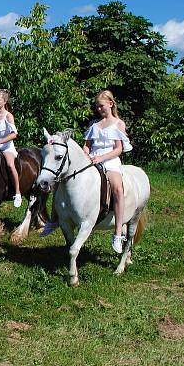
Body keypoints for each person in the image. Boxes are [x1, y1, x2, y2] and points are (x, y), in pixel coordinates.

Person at [39, 90, 132, 254]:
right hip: (91, 159)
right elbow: (87, 146)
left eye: (101, 106)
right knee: (60, 182)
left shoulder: (118, 124)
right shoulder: (94, 125)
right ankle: (54, 220)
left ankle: (118, 233)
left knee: (117, 188)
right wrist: (86, 155)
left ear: (110, 104)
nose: (99, 109)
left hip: (110, 161)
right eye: (97, 106)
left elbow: (118, 149)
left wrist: (101, 158)